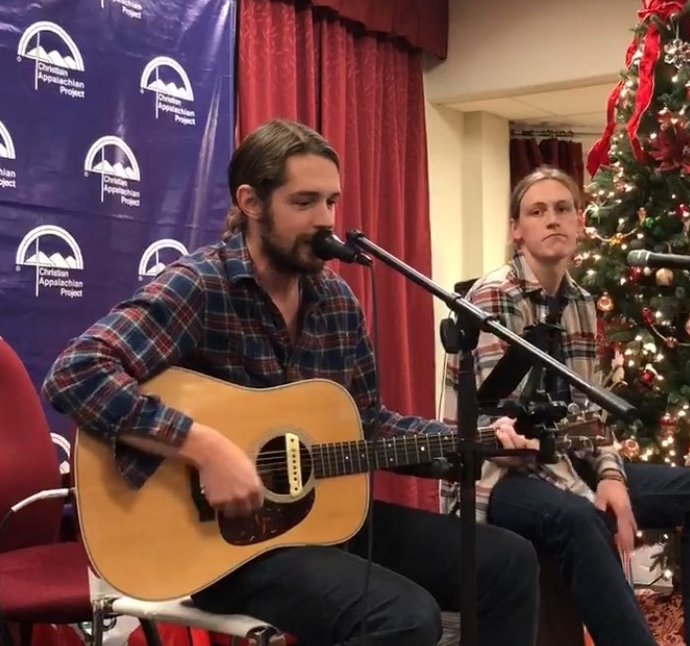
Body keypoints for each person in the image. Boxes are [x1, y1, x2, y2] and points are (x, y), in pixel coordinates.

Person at [42, 119, 540, 646]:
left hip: (321, 522)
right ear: (251, 202)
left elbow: (366, 423)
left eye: (331, 201)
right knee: (403, 617)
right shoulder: (203, 285)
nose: (324, 221)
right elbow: (76, 372)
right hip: (227, 545)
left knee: (507, 562)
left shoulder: (336, 300)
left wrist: (468, 441)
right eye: (304, 203)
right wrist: (206, 448)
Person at [440, 167, 690, 646]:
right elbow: (495, 426)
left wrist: (610, 476)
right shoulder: (494, 296)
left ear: (580, 221)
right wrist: (594, 493)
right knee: (579, 516)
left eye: (563, 209)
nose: (552, 220)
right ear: (516, 230)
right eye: (537, 211)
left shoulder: (582, 301)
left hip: (567, 462)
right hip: (495, 476)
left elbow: (590, 413)